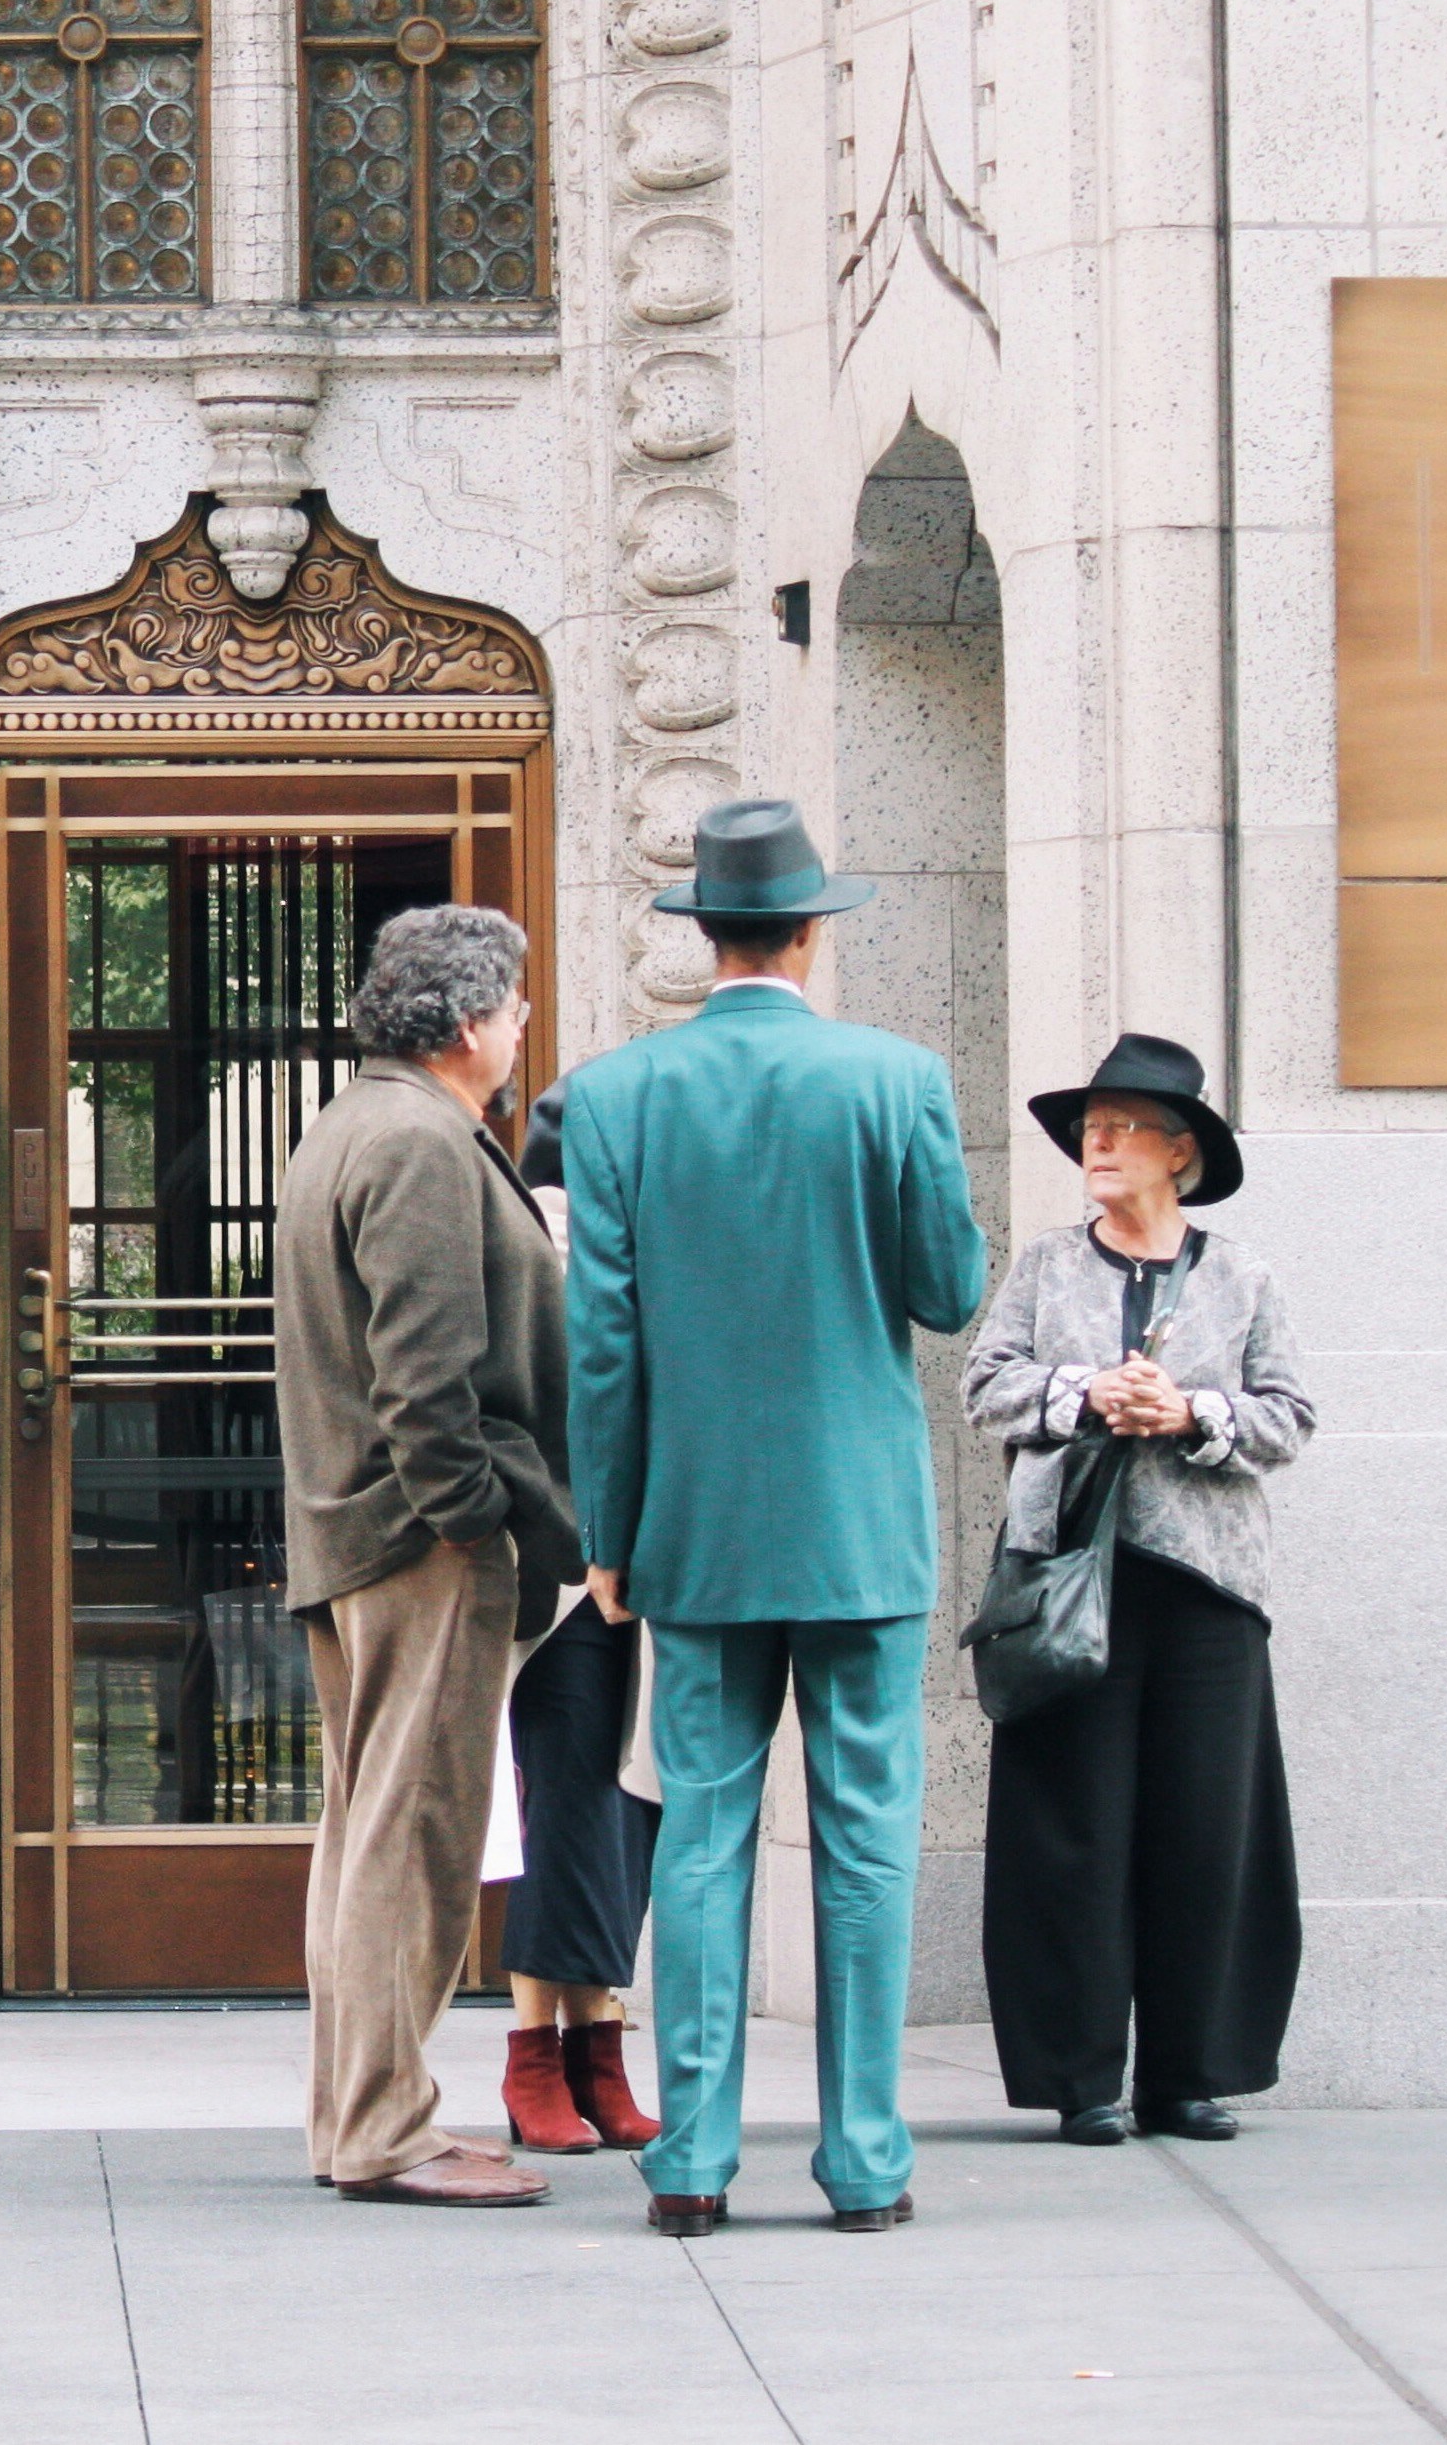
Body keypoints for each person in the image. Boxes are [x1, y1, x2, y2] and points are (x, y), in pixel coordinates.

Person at [563, 797, 988, 2237]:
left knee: (697, 1830)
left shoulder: (615, 1096)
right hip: (859, 1521)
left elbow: (602, 1345)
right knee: (866, 1836)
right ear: (811, 928)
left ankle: (689, 2156)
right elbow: (947, 1291)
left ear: (701, 934)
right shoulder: (895, 1079)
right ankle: (864, 2159)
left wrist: (607, 1535)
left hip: (694, 1522)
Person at [276, 902, 582, 2207]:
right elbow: (427, 1381)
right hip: (418, 1546)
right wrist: (476, 1522)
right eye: (512, 1008)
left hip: (367, 1535)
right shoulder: (413, 1141)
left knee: (368, 1832)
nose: (520, 1029)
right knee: (410, 1835)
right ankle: (387, 2130)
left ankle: (357, 2120)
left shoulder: (362, 1124)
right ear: (467, 1022)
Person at [962, 1034, 1315, 2145]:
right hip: (1070, 1580)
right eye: (1089, 1132)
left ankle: (1187, 2073)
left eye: (1119, 1131)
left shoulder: (1242, 1275)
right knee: (1071, 1828)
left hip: (1205, 1584)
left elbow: (1288, 1417)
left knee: (1204, 1830)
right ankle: (1080, 2079)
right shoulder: (1045, 1266)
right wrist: (1084, 1394)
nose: (1096, 1147)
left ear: (1179, 1153)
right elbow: (986, 1385)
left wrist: (1193, 1416)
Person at [491, 1072, 662, 2158]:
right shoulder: (536, 1250)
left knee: (612, 1804)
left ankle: (596, 2048)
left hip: (633, 1565)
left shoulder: (623, 1250)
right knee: (572, 1802)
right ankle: (534, 2054)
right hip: (562, 1574)